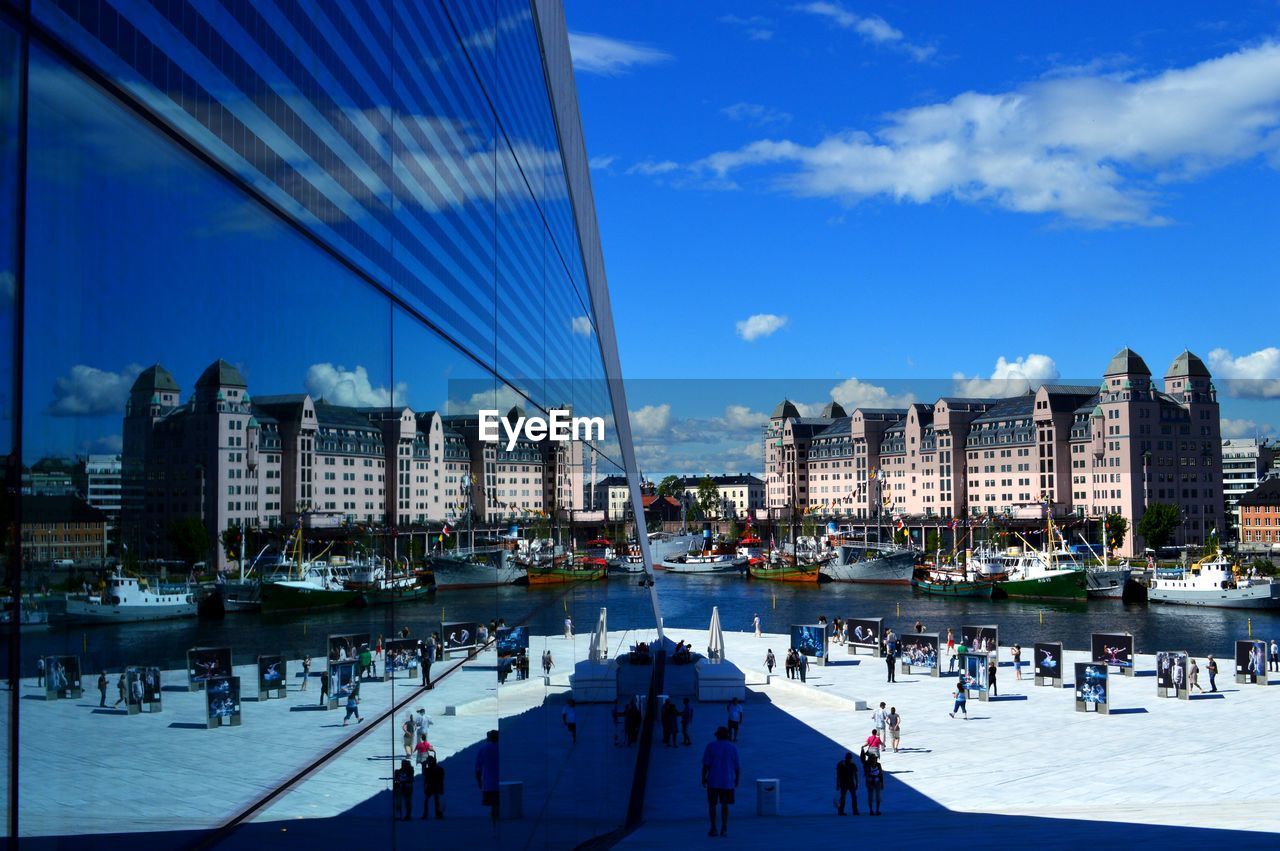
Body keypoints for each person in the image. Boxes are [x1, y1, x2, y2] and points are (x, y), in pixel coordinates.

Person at [701, 726, 740, 838]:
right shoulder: (732, 748)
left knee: (712, 805)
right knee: (725, 805)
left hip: (713, 781)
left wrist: (703, 778)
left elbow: (705, 765)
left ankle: (713, 828)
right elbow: (737, 767)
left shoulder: (711, 746)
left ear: (717, 735)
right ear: (727, 735)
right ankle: (724, 828)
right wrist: (737, 779)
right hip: (727, 781)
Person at [475, 729, 500, 831]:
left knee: (494, 806)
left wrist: (479, 781)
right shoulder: (501, 747)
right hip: (500, 783)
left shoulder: (483, 749)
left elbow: (477, 767)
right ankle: (496, 826)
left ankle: (495, 827)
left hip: (489, 783)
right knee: (497, 805)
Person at [835, 751, 860, 815]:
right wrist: (857, 783)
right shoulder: (851, 764)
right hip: (849, 783)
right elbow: (856, 775)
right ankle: (854, 811)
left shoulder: (841, 764)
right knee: (852, 797)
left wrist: (837, 784)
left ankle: (841, 811)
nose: (849, 759)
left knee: (844, 797)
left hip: (844, 783)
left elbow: (838, 775)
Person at [422, 753, 444, 819]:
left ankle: (438, 814)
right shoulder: (429, 769)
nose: (428, 762)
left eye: (429, 761)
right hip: (431, 786)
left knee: (436, 800)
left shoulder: (437, 769)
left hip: (435, 786)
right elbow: (425, 775)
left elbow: (441, 778)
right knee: (429, 800)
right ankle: (428, 814)